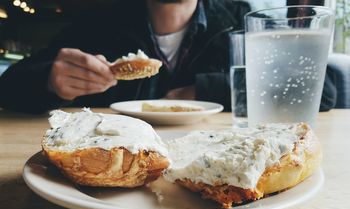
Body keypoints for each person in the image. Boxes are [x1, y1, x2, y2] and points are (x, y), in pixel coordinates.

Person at [0, 0, 336, 114]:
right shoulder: (99, 25)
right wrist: (50, 80)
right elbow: (9, 88)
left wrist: (201, 91)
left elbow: (320, 89)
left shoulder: (241, 19)